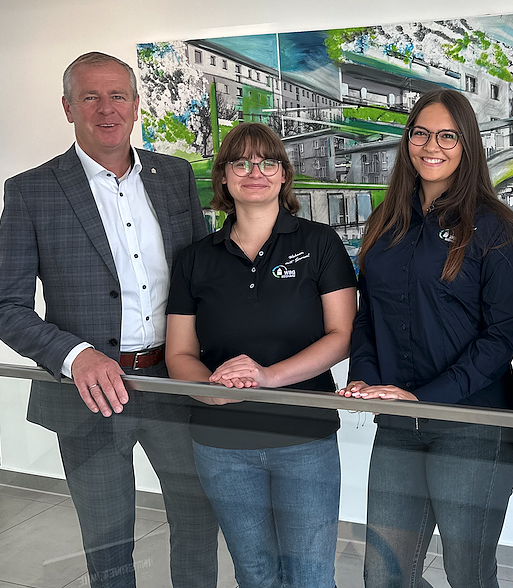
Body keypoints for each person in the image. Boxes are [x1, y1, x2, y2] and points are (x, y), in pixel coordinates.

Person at [0, 52, 218, 587]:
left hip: (176, 382)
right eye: (90, 97)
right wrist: (75, 355)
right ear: (68, 108)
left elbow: (201, 280)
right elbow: (7, 305)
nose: (106, 109)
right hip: (90, 394)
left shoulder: (175, 176)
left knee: (197, 523)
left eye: (118, 95)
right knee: (109, 541)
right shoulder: (32, 190)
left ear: (137, 105)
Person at [338, 89, 513, 588]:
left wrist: (425, 397)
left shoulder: (496, 227)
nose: (431, 145)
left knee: (467, 572)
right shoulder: (385, 222)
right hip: (399, 421)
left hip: (471, 423)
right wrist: (366, 378)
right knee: (383, 574)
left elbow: (501, 338)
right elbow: (368, 316)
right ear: (407, 140)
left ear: (467, 145)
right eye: (420, 133)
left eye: (448, 135)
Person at [165, 122, 357, 588]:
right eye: (241, 162)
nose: (255, 171)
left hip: (304, 436)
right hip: (221, 443)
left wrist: (268, 376)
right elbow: (180, 353)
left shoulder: (319, 243)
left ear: (284, 175)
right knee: (254, 573)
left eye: (268, 161)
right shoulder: (194, 259)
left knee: (310, 575)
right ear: (224, 178)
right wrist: (211, 391)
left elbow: (341, 335)